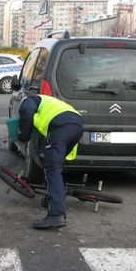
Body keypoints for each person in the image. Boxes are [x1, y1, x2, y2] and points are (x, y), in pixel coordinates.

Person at [18, 94, 84, 229]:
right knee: (56, 167)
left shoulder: (29, 100)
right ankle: (55, 195)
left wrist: (23, 136)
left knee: (51, 169)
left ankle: (56, 215)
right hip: (77, 125)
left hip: (60, 127)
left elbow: (27, 111)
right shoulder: (52, 102)